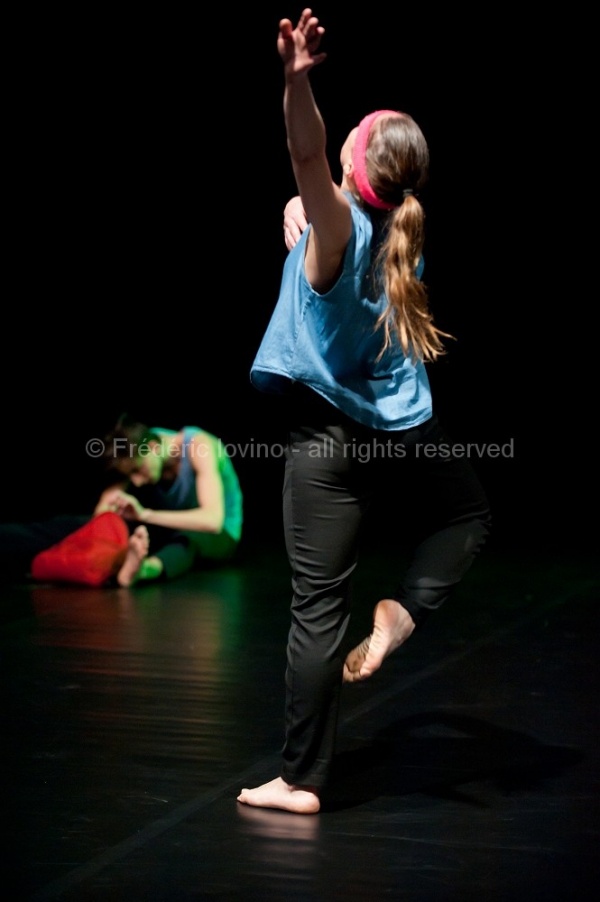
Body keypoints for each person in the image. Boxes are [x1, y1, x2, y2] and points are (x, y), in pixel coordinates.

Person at [236, 9, 491, 815]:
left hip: (328, 444)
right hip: (403, 432)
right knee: (467, 515)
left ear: (354, 166)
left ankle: (301, 780)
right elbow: (319, 179)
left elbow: (307, 152)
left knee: (317, 610)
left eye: (348, 138)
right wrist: (301, 205)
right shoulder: (399, 235)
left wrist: (296, 78)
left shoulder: (337, 223)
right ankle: (405, 613)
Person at [0, 415, 243, 587]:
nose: (136, 482)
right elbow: (104, 509)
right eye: (131, 475)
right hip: (169, 525)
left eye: (138, 470)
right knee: (86, 523)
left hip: (220, 535)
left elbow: (212, 520)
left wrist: (144, 514)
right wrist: (99, 525)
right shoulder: (139, 446)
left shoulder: (200, 446)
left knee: (188, 541)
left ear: (152, 448)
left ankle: (142, 571)